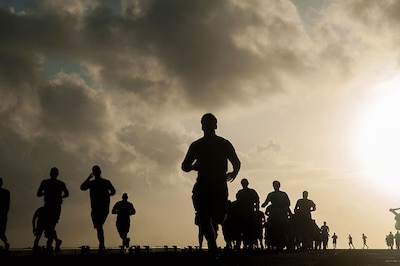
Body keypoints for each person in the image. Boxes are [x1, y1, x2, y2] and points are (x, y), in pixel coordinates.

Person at [181, 113, 241, 253]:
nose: (207, 126)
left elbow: (236, 162)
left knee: (218, 216)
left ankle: (225, 224)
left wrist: (233, 173)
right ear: (202, 126)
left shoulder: (223, 143)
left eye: (210, 124)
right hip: (202, 185)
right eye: (205, 124)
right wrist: (196, 166)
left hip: (219, 186)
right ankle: (213, 246)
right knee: (203, 216)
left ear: (215, 126)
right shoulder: (197, 145)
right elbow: (184, 166)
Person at [81, 165, 116, 253]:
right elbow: (82, 187)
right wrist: (88, 178)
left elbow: (113, 191)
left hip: (102, 207)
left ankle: (102, 245)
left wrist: (107, 195)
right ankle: (102, 244)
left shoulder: (105, 182)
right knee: (99, 227)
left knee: (99, 226)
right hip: (96, 208)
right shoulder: (92, 183)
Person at [37, 167, 69, 252]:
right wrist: (59, 196)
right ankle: (55, 242)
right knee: (50, 227)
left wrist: (58, 196)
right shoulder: (55, 183)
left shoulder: (47, 183)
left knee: (50, 227)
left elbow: (67, 194)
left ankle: (52, 243)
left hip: (53, 207)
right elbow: (67, 194)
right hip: (51, 206)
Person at [260, 180, 292, 251]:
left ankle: (281, 242)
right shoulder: (281, 194)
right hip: (278, 214)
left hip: (276, 214)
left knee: (281, 229)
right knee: (281, 229)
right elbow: (288, 204)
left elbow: (265, 204)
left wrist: (263, 205)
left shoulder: (272, 194)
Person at [235, 178, 260, 249]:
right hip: (242, 214)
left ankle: (250, 243)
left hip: (249, 213)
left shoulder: (251, 192)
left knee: (249, 229)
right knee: (241, 229)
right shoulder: (240, 192)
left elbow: (257, 201)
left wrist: (257, 211)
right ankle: (240, 244)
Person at [0, 177, 10, 251]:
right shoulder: (6, 192)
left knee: (2, 232)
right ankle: (6, 243)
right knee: (2, 232)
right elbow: (7, 204)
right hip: (3, 214)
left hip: (3, 213)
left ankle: (6, 243)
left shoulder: (6, 192)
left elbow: (7, 204)